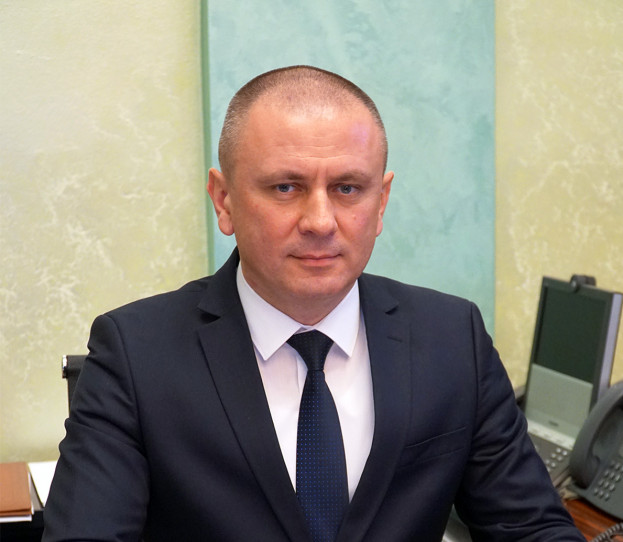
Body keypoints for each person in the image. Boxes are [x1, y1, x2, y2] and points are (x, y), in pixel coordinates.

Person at [43, 65, 584, 541]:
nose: (321, 221)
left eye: (348, 188)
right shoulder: (135, 354)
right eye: (286, 187)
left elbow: (531, 527)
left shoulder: (451, 337)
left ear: (381, 203)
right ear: (224, 200)